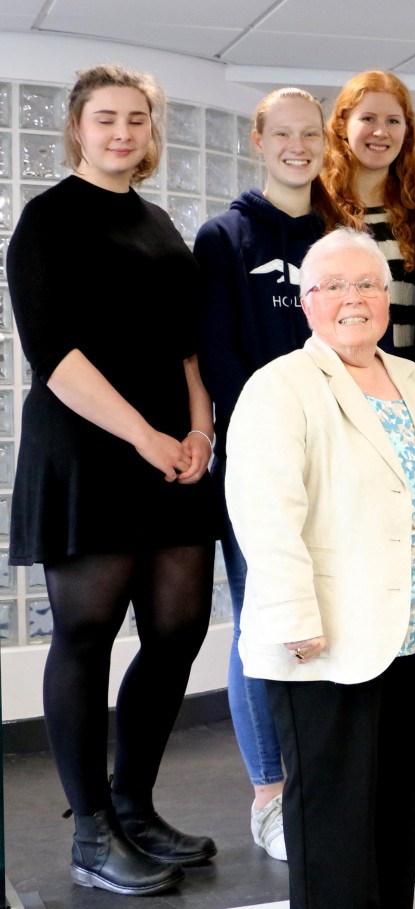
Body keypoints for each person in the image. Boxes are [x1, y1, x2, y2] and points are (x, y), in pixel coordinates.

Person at [6, 63, 218, 896]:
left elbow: (186, 345)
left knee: (178, 629)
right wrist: (145, 436)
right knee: (87, 633)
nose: (123, 132)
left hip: (172, 450)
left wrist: (199, 429)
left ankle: (133, 805)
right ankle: (91, 833)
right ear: (77, 128)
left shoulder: (160, 222)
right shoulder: (47, 220)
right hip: (89, 448)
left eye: (136, 119)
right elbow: (55, 355)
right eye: (106, 118)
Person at [224, 227, 415, 909]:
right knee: (333, 830)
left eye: (367, 284)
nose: (353, 298)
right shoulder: (279, 387)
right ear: (306, 302)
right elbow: (264, 513)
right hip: (324, 640)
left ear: (387, 298)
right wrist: (294, 616)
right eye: (333, 286)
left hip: (406, 634)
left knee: (395, 818)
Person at [193, 86, 330, 861]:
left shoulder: (338, 237)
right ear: (258, 140)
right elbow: (218, 356)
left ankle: (320, 780)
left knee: (325, 616)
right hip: (257, 464)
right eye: (283, 133)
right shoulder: (224, 237)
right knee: (263, 622)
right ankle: (270, 793)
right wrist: (281, 438)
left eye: (310, 134)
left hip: (333, 464)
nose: (297, 146)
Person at [322, 70, 415, 360]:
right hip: (337, 373)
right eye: (368, 118)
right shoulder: (320, 211)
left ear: (406, 130)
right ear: (342, 126)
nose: (380, 132)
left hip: (407, 374)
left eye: (393, 121)